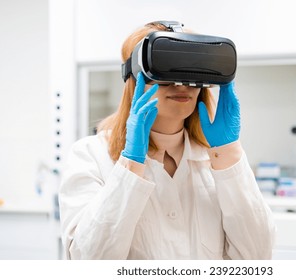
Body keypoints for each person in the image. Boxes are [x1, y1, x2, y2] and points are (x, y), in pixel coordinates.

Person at [59, 21, 275, 260]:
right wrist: (130, 166)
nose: (181, 84)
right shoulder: (90, 156)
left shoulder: (216, 160)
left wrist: (229, 154)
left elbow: (257, 256)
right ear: (133, 77)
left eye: (191, 70)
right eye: (166, 69)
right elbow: (88, 260)